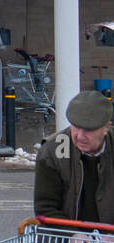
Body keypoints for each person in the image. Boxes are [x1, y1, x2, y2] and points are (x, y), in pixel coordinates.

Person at [35, 90, 114, 223]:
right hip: (67, 237)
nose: (80, 136)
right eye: (76, 127)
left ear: (106, 127)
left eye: (89, 129)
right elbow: (45, 207)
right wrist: (71, 235)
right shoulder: (51, 151)